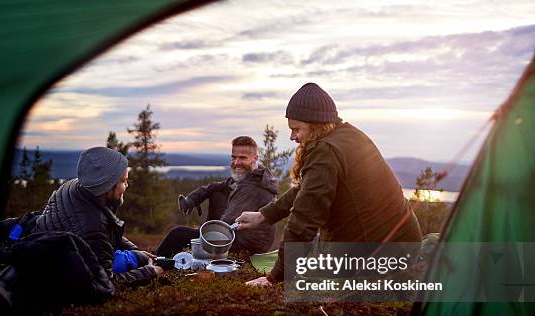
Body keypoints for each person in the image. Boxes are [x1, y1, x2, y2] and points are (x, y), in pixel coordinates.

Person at [237, 83, 422, 286]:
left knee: (306, 272)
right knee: (312, 250)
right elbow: (307, 189)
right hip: (403, 240)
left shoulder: (324, 150)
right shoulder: (348, 134)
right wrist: (264, 215)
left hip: (377, 254)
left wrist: (274, 277)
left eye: (296, 129)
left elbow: (303, 220)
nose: (292, 137)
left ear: (315, 125)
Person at [33, 146, 163, 286]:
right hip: (52, 279)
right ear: (108, 185)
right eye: (124, 181)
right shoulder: (93, 225)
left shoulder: (74, 186)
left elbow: (104, 234)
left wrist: (135, 250)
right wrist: (150, 272)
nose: (127, 186)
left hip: (40, 255)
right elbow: (105, 283)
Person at [155, 136, 278, 257]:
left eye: (242, 158)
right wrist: (192, 199)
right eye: (234, 157)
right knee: (217, 192)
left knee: (178, 234)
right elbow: (215, 186)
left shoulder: (251, 189)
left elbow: (225, 229)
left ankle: (157, 262)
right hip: (240, 234)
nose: (236, 163)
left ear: (255, 158)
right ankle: (204, 237)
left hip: (247, 246)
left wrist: (203, 236)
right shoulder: (254, 174)